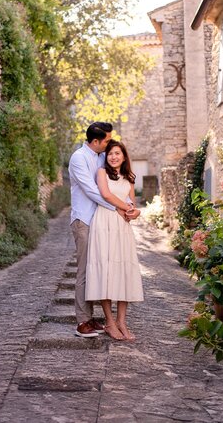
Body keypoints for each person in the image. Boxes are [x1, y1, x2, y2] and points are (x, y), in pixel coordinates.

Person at [69, 122, 140, 338]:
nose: (110, 145)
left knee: (98, 269)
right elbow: (93, 191)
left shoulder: (101, 157)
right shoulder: (79, 158)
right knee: (84, 270)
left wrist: (131, 210)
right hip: (84, 219)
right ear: (96, 141)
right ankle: (82, 321)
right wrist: (119, 208)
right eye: (107, 140)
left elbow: (118, 183)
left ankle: (96, 319)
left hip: (103, 222)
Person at [85, 139, 144, 341]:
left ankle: (121, 321)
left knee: (123, 272)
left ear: (124, 156)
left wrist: (134, 213)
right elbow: (106, 195)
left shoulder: (129, 177)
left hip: (122, 227)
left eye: (117, 153)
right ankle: (109, 322)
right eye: (110, 153)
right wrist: (124, 208)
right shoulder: (101, 173)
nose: (113, 157)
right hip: (103, 223)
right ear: (106, 157)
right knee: (106, 270)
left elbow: (133, 205)